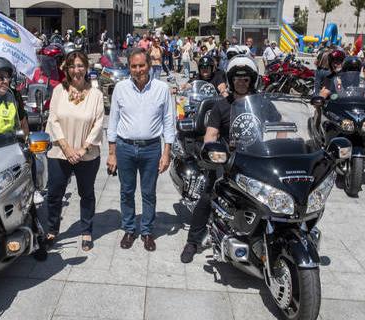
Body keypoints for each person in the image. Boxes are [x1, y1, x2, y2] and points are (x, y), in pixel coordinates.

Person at [180, 56, 263, 263]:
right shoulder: (221, 106)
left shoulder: (262, 104)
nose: (241, 82)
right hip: (229, 162)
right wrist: (212, 151)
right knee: (209, 195)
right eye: (237, 78)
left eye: (245, 79)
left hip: (257, 160)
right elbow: (211, 134)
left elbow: (279, 128)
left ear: (252, 81)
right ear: (231, 80)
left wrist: (281, 146)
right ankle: (193, 241)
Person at [107, 48, 175, 252]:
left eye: (141, 65)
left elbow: (169, 121)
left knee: (148, 193)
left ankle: (146, 231)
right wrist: (111, 153)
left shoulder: (162, 89)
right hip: (125, 148)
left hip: (151, 149)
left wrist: (167, 152)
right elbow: (113, 121)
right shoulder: (120, 88)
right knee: (126, 192)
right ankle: (129, 229)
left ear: (149, 65)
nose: (138, 70)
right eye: (134, 66)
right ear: (129, 67)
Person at [43, 51, 104, 251]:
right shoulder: (58, 91)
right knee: (54, 193)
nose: (76, 70)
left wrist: (82, 148)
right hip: (60, 152)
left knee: (86, 193)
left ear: (86, 67)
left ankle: (86, 230)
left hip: (86, 154)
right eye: (71, 66)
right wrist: (68, 149)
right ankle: (52, 230)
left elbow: (98, 124)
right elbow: (53, 120)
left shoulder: (95, 94)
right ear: (66, 69)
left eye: (80, 65)